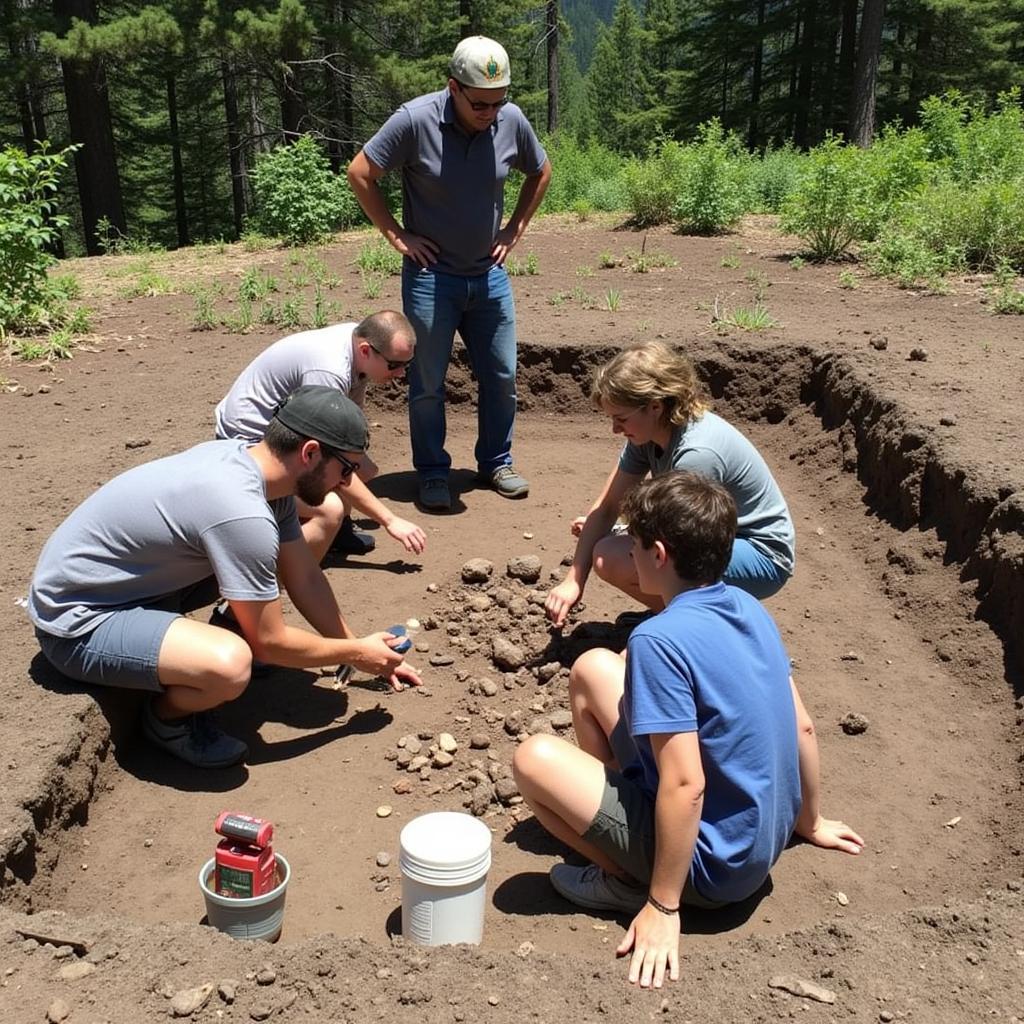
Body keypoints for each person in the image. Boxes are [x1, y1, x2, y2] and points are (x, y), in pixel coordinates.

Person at [514, 472, 863, 989]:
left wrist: (663, 906)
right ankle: (630, 832)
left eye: (631, 547)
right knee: (593, 668)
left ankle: (627, 879)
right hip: (758, 841)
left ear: (657, 554)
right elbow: (803, 728)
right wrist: (808, 822)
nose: (627, 557)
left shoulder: (659, 640)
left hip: (713, 871)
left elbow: (686, 783)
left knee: (533, 759)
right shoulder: (750, 607)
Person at [28, 386, 421, 769]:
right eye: (345, 468)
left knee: (260, 577)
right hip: (78, 620)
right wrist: (355, 654)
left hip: (134, 584)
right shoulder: (241, 512)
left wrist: (363, 649)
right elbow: (269, 644)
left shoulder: (257, 471)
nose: (346, 482)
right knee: (231, 665)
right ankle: (167, 721)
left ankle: (208, 636)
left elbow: (305, 578)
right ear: (310, 452)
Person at [347, 35, 552, 513]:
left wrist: (515, 227)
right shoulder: (414, 120)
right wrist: (397, 235)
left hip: (489, 276)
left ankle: (496, 462)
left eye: (498, 102)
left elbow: (540, 171)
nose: (490, 112)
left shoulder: (511, 119)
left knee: (501, 375)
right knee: (427, 380)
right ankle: (433, 471)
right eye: (480, 103)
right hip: (430, 277)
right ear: (453, 88)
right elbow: (360, 173)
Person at [545, 340, 795, 628]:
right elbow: (608, 506)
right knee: (613, 549)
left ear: (654, 406)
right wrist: (573, 580)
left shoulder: (697, 454)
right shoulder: (647, 433)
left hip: (760, 554)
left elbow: (681, 543)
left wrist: (621, 532)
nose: (615, 429)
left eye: (621, 419)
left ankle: (704, 628)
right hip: (711, 541)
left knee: (618, 556)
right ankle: (680, 616)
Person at [215, 311, 426, 561]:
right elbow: (327, 455)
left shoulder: (357, 342)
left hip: (281, 432)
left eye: (406, 365)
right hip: (249, 447)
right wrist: (389, 520)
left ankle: (336, 533)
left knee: (363, 469)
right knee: (329, 508)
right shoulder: (329, 371)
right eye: (394, 365)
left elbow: (345, 437)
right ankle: (275, 569)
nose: (401, 374)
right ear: (366, 350)